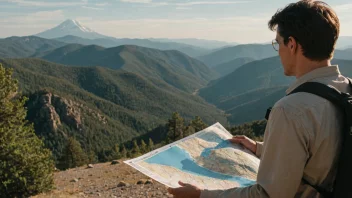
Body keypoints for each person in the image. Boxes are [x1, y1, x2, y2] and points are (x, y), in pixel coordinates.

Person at [168, 0, 349, 197]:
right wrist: (260, 149)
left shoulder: (291, 110)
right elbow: (329, 152)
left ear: (292, 45)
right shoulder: (346, 88)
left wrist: (202, 195)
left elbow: (267, 195)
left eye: (278, 43)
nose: (277, 50)